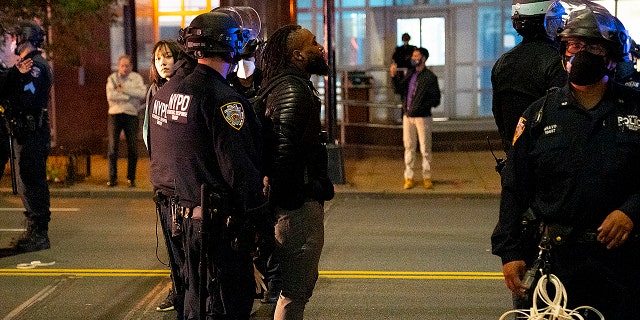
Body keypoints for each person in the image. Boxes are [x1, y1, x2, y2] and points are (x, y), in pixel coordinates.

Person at [491, 4, 640, 319]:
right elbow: (515, 186)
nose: (581, 53)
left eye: (593, 46)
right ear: (563, 51)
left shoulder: (635, 111)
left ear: (612, 56)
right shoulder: (538, 115)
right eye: (574, 45)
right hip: (555, 263)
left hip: (623, 265)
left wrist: (631, 211)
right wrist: (510, 251)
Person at [164, 10, 267, 319]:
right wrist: (261, 220)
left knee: (197, 301)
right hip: (219, 226)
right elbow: (237, 168)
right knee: (226, 304)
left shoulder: (174, 91)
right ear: (229, 46)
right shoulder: (224, 99)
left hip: (187, 218)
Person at [260, 24, 335, 319]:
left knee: (297, 288)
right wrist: (304, 194)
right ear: (298, 55)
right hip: (297, 209)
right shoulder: (292, 90)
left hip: (297, 203)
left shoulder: (289, 84)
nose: (320, 47)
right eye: (313, 43)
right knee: (296, 290)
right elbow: (283, 152)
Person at [0, 21, 53, 252]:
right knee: (26, 182)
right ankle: (34, 230)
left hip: (32, 131)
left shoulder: (35, 66)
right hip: (25, 131)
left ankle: (39, 234)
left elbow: (26, 98)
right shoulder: (24, 65)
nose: (13, 41)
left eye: (16, 36)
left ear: (25, 38)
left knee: (32, 182)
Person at [143, 39, 186, 315]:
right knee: (172, 246)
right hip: (162, 178)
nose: (163, 62)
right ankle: (177, 288)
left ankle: (187, 291)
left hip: (180, 180)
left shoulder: (182, 89)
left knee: (184, 242)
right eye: (159, 58)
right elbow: (148, 132)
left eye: (169, 56)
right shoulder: (154, 90)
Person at [491, 0, 567, 153]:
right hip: (546, 157)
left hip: (514, 156)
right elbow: (561, 116)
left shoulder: (503, 62)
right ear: (546, 22)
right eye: (556, 19)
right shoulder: (557, 61)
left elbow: (498, 113)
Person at [390, 47, 441, 190]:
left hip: (422, 117)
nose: (413, 58)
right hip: (408, 117)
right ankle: (409, 177)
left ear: (423, 58)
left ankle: (427, 177)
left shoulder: (430, 77)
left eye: (416, 56)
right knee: (409, 147)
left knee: (425, 148)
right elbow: (399, 90)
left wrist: (421, 107)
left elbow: (436, 99)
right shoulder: (411, 73)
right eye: (413, 55)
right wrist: (394, 76)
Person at [105, 54, 146, 188]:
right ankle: (112, 178)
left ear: (131, 67)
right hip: (115, 114)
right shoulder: (112, 79)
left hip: (131, 114)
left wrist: (123, 90)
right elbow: (111, 96)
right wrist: (129, 96)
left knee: (133, 148)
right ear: (118, 66)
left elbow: (141, 94)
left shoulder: (136, 78)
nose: (124, 68)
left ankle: (131, 178)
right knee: (112, 148)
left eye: (127, 65)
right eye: (122, 66)